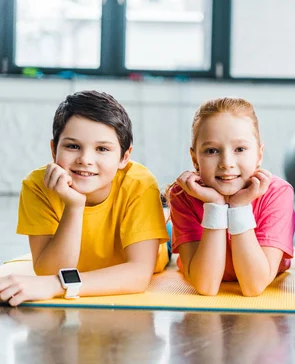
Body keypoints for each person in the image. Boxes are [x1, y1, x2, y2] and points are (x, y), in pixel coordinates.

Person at [0, 90, 170, 306]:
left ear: (124, 157)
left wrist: (57, 286)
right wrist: (74, 206)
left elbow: (138, 274)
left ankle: (167, 220)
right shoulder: (36, 185)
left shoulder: (140, 183)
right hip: (90, 256)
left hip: (156, 248)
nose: (85, 159)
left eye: (102, 149)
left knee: (171, 232)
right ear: (54, 150)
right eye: (73, 146)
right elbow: (49, 271)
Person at [168, 97, 295, 297]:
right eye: (212, 151)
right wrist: (215, 205)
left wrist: (239, 207)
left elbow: (253, 286)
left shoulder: (277, 193)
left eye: (240, 149)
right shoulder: (183, 194)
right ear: (195, 159)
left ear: (259, 155)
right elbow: (207, 286)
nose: (227, 163)